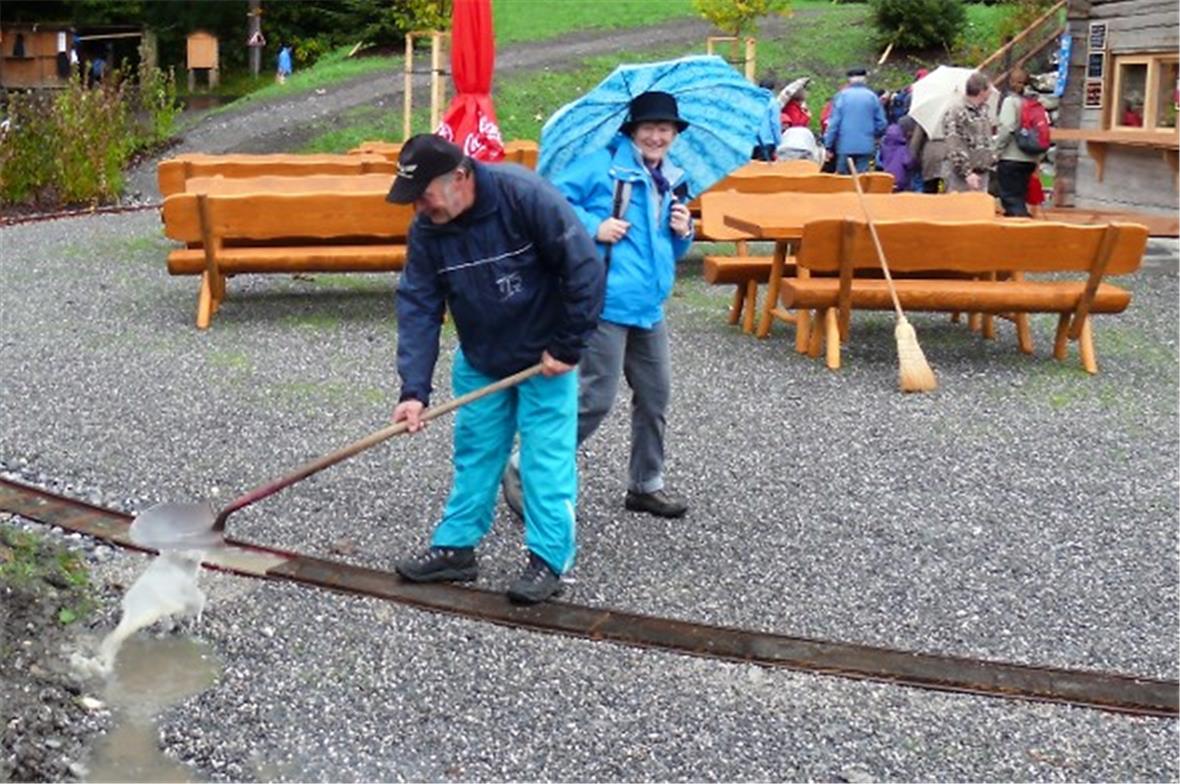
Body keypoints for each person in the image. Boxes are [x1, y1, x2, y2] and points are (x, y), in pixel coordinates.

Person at [389, 133, 605, 605]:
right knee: (475, 453)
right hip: (482, 356)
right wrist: (414, 390)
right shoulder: (428, 229)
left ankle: (549, 558)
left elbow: (584, 269)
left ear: (460, 178)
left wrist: (567, 346)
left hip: (544, 360)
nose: (419, 209)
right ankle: (456, 549)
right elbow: (419, 306)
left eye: (423, 196)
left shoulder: (525, 197)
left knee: (544, 462)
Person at [503, 91, 695, 521]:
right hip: (605, 303)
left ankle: (645, 486)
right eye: (649, 128)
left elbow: (670, 249)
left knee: (655, 396)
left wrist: (685, 231)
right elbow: (549, 206)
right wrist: (594, 225)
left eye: (666, 129)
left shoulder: (673, 178)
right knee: (595, 398)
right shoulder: (600, 167)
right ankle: (523, 467)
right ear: (631, 130)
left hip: (649, 307)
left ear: (675, 134)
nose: (657, 136)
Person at [994, 67, 1042, 217]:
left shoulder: (1010, 102)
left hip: (1011, 158)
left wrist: (997, 150)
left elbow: (1007, 128)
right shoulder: (1033, 102)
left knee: (1011, 200)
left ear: (1011, 82)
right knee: (1020, 198)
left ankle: (1020, 232)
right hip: (1029, 159)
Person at [823, 67, 887, 175]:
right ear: (865, 79)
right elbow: (881, 123)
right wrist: (872, 135)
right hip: (866, 145)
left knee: (843, 181)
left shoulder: (841, 97)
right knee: (863, 178)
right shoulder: (872, 97)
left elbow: (834, 124)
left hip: (844, 145)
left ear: (849, 80)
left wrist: (828, 145)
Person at [942, 71, 996, 193]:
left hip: (983, 173)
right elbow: (954, 144)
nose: (992, 92)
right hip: (962, 178)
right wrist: (967, 173)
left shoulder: (984, 111)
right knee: (960, 209)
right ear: (982, 90)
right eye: (989, 88)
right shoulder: (956, 111)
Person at [878, 115, 918, 191]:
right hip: (901, 180)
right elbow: (908, 162)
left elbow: (879, 160)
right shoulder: (903, 148)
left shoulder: (884, 147)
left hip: (887, 178)